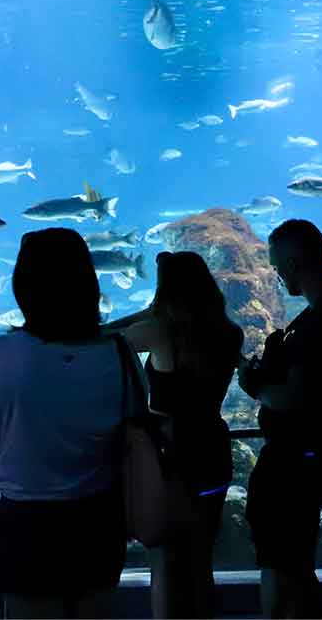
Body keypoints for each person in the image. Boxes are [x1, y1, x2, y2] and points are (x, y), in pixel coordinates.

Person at [0, 228, 147, 619]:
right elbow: (135, 422)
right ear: (89, 284)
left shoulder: (0, 354)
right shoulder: (119, 352)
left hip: (27, 520)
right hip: (99, 519)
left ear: (22, 287)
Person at [105, 251, 244, 618]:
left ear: (166, 291)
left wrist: (149, 310)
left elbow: (110, 339)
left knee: (165, 556)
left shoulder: (160, 330)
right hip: (213, 448)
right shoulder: (229, 332)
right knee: (200, 558)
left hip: (170, 453)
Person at [237, 219, 322, 618]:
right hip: (310, 451)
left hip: (298, 456)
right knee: (295, 562)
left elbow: (293, 398)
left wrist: (253, 384)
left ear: (294, 262)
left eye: (277, 267)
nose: (275, 275)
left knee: (280, 563)